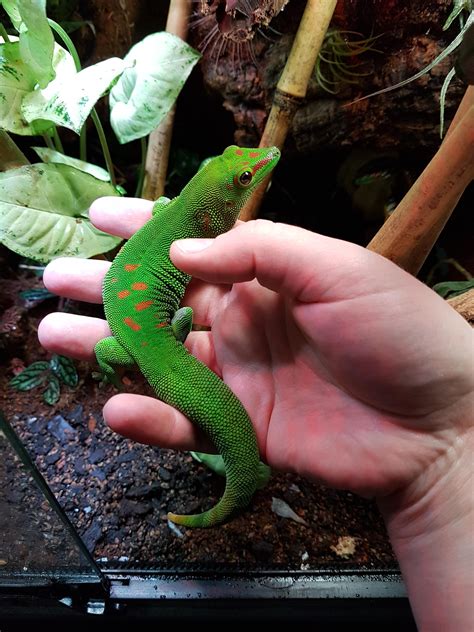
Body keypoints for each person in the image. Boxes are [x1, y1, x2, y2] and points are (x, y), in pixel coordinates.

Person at [38, 197, 473, 631]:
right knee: (183, 317)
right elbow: (186, 307)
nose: (255, 176)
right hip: (159, 338)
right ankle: (233, 480)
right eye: (244, 180)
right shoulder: (186, 224)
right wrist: (447, 460)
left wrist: (115, 369)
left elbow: (110, 346)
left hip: (137, 344)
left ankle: (233, 481)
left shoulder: (168, 217)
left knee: (115, 346)